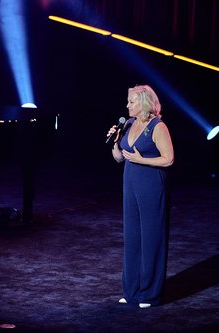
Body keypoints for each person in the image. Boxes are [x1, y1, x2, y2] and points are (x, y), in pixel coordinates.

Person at [107, 84, 174, 308]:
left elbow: (168, 159)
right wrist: (115, 141)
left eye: (131, 101)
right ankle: (132, 290)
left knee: (151, 238)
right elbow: (119, 158)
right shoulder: (128, 124)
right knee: (133, 238)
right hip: (131, 185)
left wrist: (141, 160)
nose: (127, 105)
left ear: (144, 103)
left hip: (151, 185)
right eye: (128, 101)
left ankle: (150, 294)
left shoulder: (158, 126)